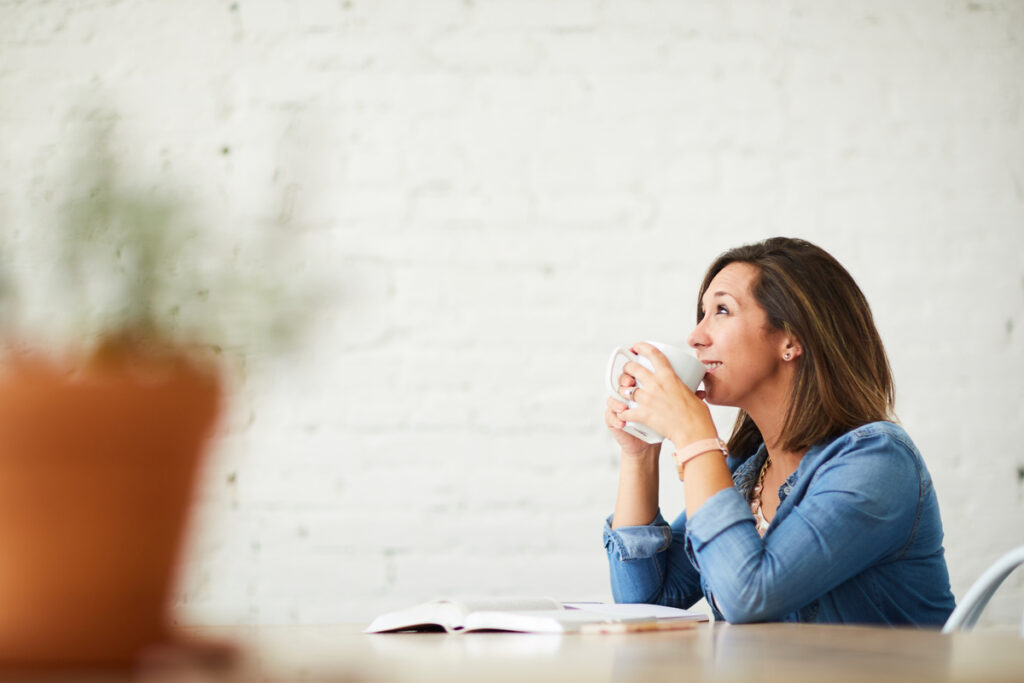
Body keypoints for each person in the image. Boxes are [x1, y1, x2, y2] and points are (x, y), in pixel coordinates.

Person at [603, 237, 955, 626]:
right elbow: (645, 602)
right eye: (702, 314)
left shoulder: (878, 463)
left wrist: (693, 437)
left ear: (790, 338)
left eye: (721, 310)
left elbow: (748, 597)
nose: (696, 336)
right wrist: (640, 453)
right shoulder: (747, 472)